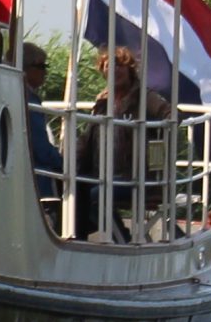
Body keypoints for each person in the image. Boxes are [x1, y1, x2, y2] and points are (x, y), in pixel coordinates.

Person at [72, 45, 173, 239]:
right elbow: (88, 138)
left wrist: (160, 125)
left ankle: (123, 240)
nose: (115, 71)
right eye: (109, 66)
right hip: (102, 175)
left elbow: (168, 112)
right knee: (74, 191)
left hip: (133, 177)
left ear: (129, 69)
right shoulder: (103, 102)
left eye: (120, 65)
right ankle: (78, 241)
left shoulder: (142, 96)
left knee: (97, 196)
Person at [22, 39, 65, 200]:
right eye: (42, 66)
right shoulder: (29, 101)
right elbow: (40, 148)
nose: (45, 72)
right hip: (34, 178)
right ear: (26, 69)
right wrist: (64, 163)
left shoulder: (23, 96)